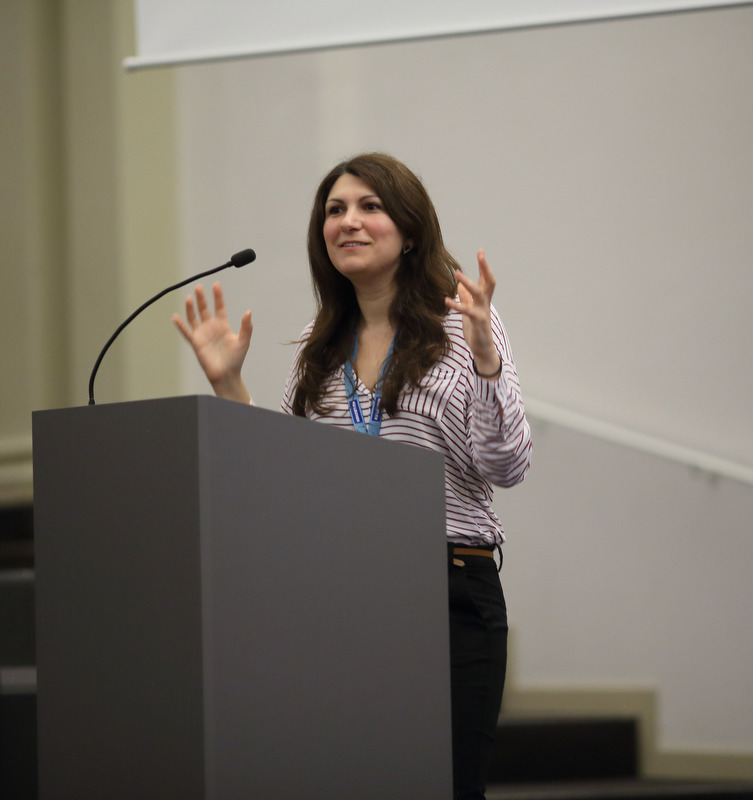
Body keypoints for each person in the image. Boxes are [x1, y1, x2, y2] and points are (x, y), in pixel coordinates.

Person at [173, 152, 532, 800]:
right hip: (343, 597)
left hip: (448, 592)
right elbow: (283, 478)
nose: (348, 221)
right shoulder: (320, 343)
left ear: (410, 230)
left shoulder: (462, 327)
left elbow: (507, 466)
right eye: (335, 210)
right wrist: (229, 386)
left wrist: (486, 361)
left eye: (370, 206)